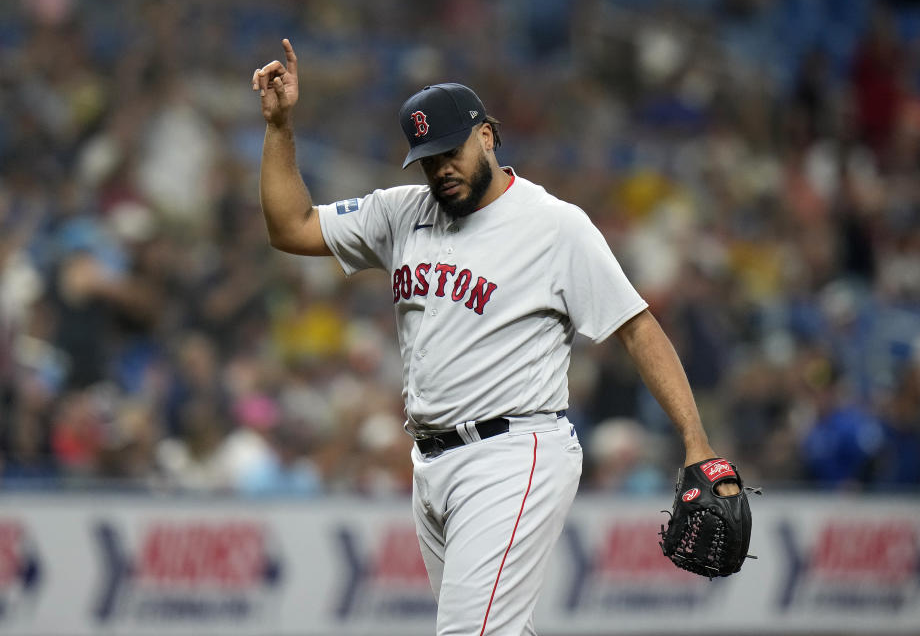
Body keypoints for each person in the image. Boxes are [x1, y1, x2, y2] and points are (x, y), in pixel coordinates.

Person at [252, 38, 737, 636]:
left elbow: (636, 329)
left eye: (450, 152)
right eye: (427, 159)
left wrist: (697, 443)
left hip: (514, 454)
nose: (441, 170)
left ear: (486, 135)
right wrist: (279, 127)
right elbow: (291, 226)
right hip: (430, 464)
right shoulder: (403, 212)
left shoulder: (555, 226)